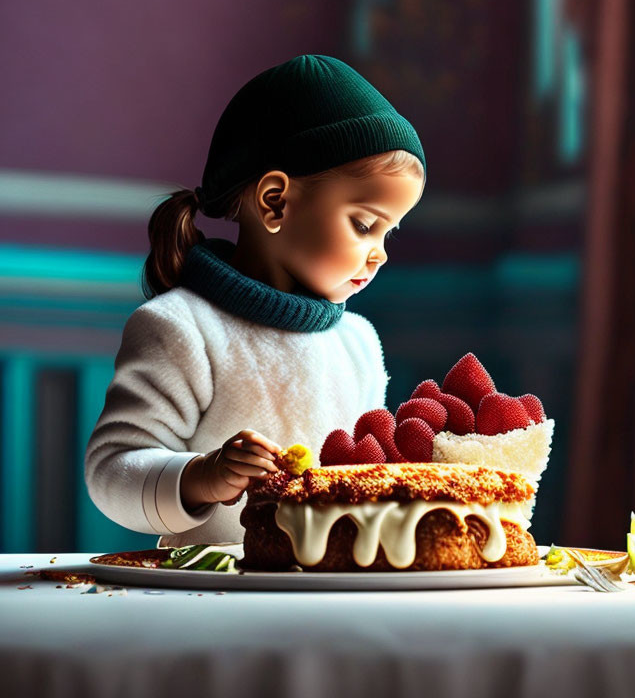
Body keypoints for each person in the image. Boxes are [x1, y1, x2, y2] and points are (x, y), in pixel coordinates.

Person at [84, 55, 426, 548]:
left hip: (336, 599)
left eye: (390, 233)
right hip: (212, 604)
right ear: (275, 202)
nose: (380, 255)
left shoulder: (360, 343)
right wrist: (203, 476)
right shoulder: (181, 328)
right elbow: (111, 469)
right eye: (365, 224)